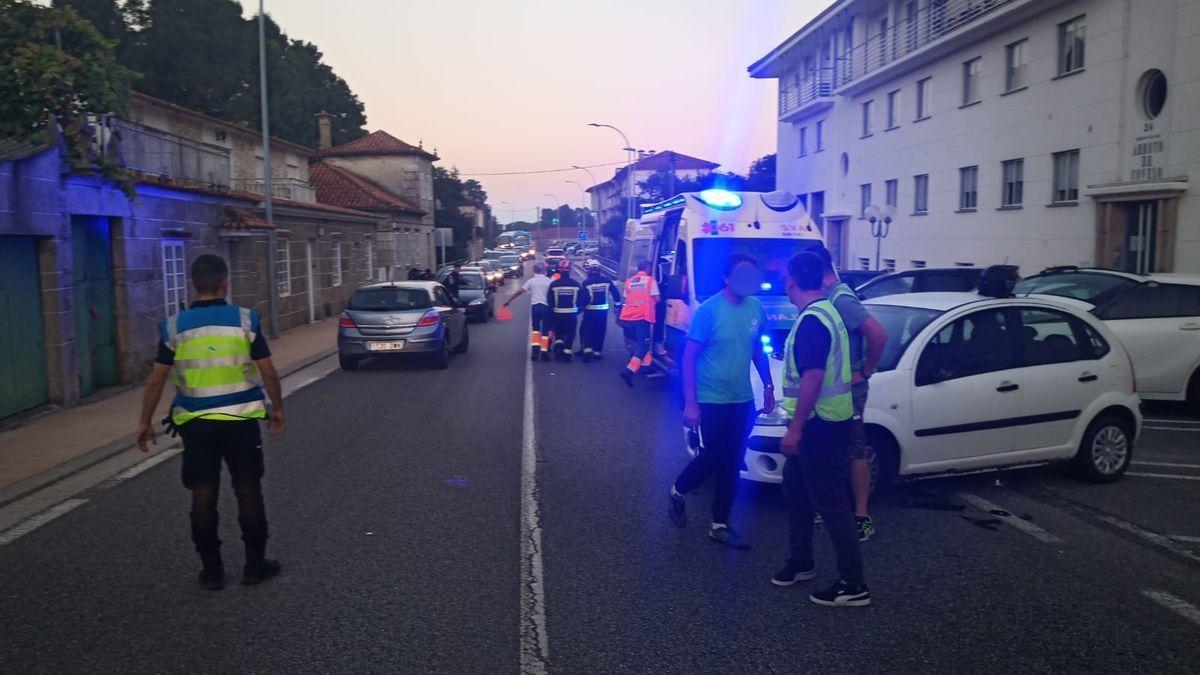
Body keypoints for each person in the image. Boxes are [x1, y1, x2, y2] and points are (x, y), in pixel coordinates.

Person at [134, 254, 284, 591]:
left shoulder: (174, 326)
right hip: (241, 419)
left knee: (202, 494)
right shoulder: (245, 320)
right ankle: (254, 565)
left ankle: (212, 570)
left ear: (193, 284)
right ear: (224, 283)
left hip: (196, 424)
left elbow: (156, 380)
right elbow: (268, 371)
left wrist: (144, 421)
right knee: (247, 489)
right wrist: (277, 408)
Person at [771, 251, 869, 607]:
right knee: (795, 491)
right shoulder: (827, 311)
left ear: (791, 281)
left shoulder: (813, 320)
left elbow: (813, 376)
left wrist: (795, 430)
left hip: (819, 426)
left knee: (831, 505)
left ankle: (853, 584)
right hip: (827, 421)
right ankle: (801, 561)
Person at [668, 254, 775, 550]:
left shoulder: (756, 308)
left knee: (732, 461)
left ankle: (719, 524)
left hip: (741, 399)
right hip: (710, 398)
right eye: (741, 274)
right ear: (727, 278)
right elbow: (688, 357)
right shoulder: (709, 311)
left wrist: (768, 386)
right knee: (713, 456)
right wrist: (691, 403)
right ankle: (678, 490)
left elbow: (758, 351)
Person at [806, 244, 888, 541]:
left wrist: (866, 371)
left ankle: (862, 517)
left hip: (851, 391)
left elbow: (878, 334)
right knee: (834, 447)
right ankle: (828, 506)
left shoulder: (841, 298)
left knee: (855, 449)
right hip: (834, 391)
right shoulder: (829, 297)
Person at [617, 260, 660, 387]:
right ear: (647, 268)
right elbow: (657, 298)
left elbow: (626, 297)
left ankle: (646, 366)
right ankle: (629, 370)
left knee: (637, 342)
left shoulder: (629, 281)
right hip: (642, 317)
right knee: (644, 344)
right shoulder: (650, 280)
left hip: (628, 317)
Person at [504, 261, 554, 361]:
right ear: (544, 270)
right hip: (546, 307)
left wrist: (508, 301)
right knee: (545, 330)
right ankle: (544, 352)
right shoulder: (549, 281)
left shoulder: (532, 281)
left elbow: (519, 292)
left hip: (535, 307)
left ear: (534, 270)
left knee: (535, 330)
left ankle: (535, 352)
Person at [578, 259, 622, 363]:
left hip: (590, 310)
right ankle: (597, 351)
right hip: (602, 311)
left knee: (588, 330)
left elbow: (583, 298)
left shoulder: (586, 282)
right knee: (600, 330)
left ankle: (587, 350)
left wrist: (580, 308)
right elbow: (616, 294)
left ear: (589, 270)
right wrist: (617, 306)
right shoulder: (607, 281)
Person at [547, 258, 583, 362]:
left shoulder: (554, 284)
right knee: (571, 333)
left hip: (557, 313)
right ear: (569, 270)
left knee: (559, 332)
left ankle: (558, 347)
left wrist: (552, 311)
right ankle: (567, 352)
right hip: (572, 314)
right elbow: (581, 300)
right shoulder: (576, 284)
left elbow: (550, 300)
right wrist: (578, 311)